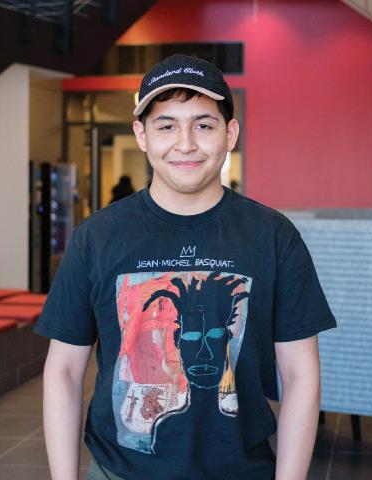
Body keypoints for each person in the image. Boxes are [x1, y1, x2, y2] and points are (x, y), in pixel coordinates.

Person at [35, 54, 336, 480]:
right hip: (120, 471)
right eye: (166, 126)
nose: (186, 143)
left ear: (230, 133)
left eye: (204, 125)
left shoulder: (273, 236)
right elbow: (64, 371)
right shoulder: (97, 238)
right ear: (141, 135)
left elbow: (300, 374)